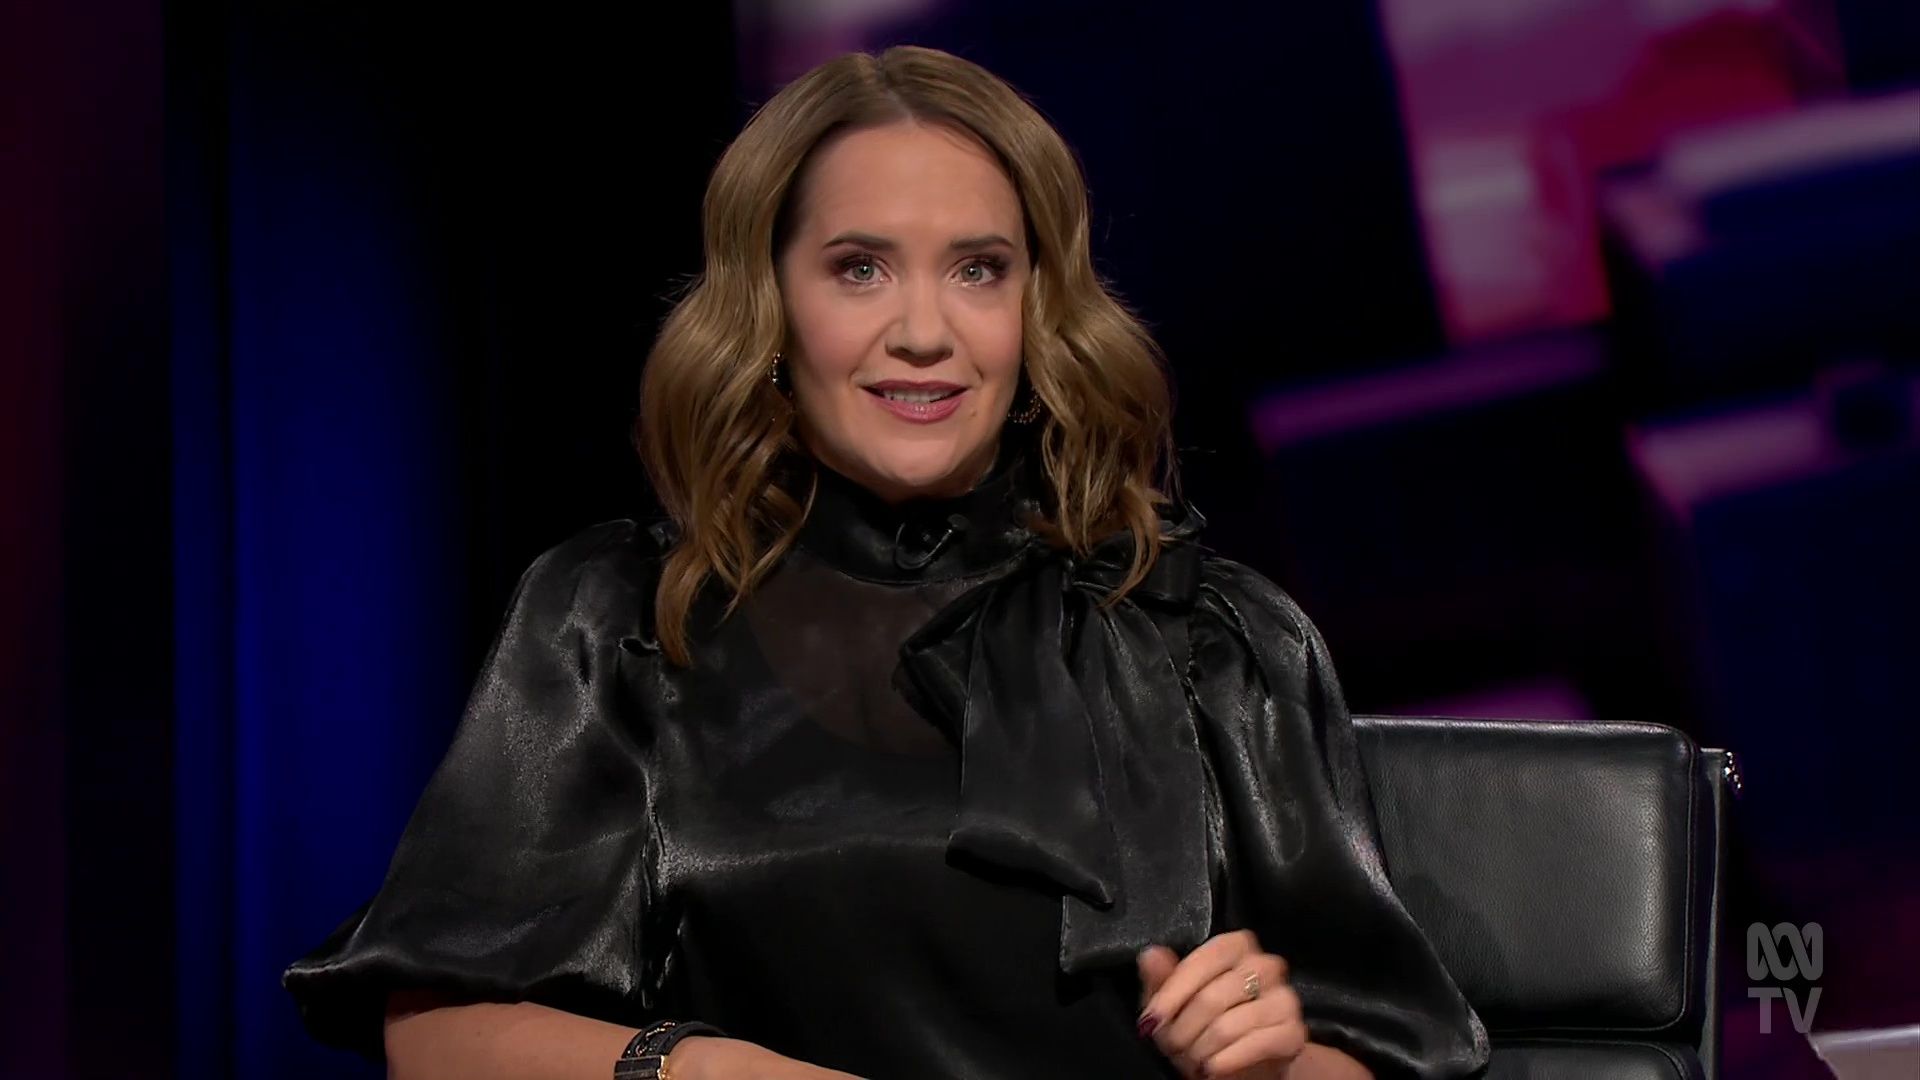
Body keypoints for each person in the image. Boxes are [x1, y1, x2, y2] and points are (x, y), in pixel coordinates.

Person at [283, 45, 1489, 1080]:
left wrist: (1276, 1063)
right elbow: (433, 1029)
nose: (923, 331)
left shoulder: (1209, 635)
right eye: (859, 267)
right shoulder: (624, 619)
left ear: (1037, 312)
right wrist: (698, 1067)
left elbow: (1383, 1051)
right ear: (770, 307)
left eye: (979, 269)